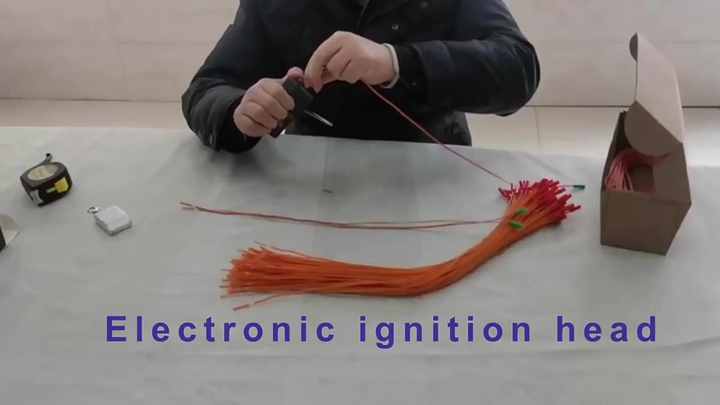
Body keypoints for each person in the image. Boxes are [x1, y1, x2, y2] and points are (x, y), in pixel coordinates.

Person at [182, 0, 540, 153]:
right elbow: (206, 89)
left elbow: (519, 69)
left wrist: (395, 62)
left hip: (432, 165)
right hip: (311, 177)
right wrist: (239, 112)